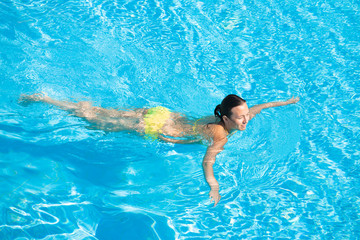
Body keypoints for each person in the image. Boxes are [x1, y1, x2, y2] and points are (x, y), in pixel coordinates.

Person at [19, 93, 299, 206]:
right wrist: (213, 186)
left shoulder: (225, 119)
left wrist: (283, 103)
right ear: (226, 119)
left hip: (162, 115)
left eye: (247, 114)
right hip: (156, 128)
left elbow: (257, 108)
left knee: (101, 113)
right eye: (241, 117)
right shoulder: (220, 134)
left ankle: (52, 100)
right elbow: (207, 162)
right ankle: (47, 101)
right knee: (94, 121)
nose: (247, 118)